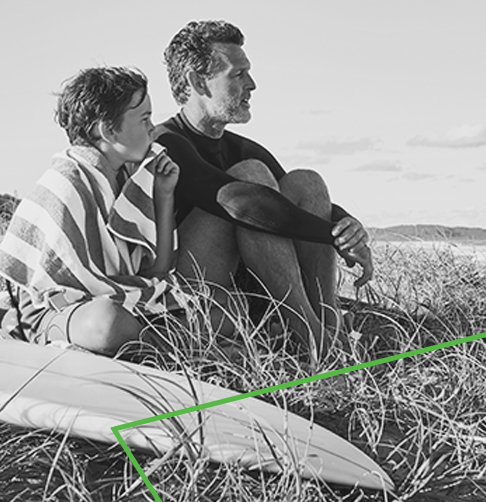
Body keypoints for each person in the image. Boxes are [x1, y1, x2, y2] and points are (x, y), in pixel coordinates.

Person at [155, 20, 373, 360]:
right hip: (193, 297)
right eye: (238, 75)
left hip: (246, 289)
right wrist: (332, 234)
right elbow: (242, 203)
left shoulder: (242, 147)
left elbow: (301, 205)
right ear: (198, 81)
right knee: (251, 181)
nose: (252, 84)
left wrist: (349, 230)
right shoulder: (165, 141)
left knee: (306, 181)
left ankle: (329, 324)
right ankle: (312, 336)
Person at [0, 67, 227, 356]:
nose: (152, 129)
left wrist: (164, 195)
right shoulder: (64, 184)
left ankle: (155, 347)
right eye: (144, 119)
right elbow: (49, 295)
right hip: (57, 315)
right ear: (107, 130)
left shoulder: (131, 180)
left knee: (224, 307)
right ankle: (175, 349)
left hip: (124, 301)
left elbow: (158, 271)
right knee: (108, 323)